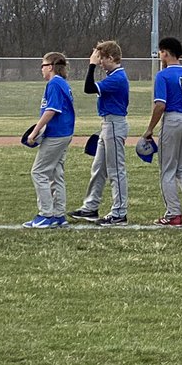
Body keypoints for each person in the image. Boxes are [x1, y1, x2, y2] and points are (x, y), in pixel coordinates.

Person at [141, 37, 182, 227]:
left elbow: (160, 105)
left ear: (166, 53)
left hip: (172, 120)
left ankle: (173, 214)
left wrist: (150, 129)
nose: (160, 56)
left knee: (167, 170)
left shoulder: (163, 75)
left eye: (161, 52)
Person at [71, 40, 129, 226]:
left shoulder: (117, 77)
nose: (100, 63)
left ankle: (119, 212)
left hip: (114, 123)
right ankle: (91, 206)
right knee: (98, 168)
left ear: (111, 58)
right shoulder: (113, 75)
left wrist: (91, 65)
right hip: (107, 124)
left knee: (115, 170)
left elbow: (88, 88)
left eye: (102, 59)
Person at [23, 52, 75, 228]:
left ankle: (45, 214)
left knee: (39, 172)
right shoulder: (62, 83)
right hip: (65, 132)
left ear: (51, 66)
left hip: (56, 134)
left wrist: (34, 132)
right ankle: (59, 215)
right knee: (56, 173)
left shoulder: (54, 83)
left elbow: (51, 110)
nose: (42, 70)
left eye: (43, 66)